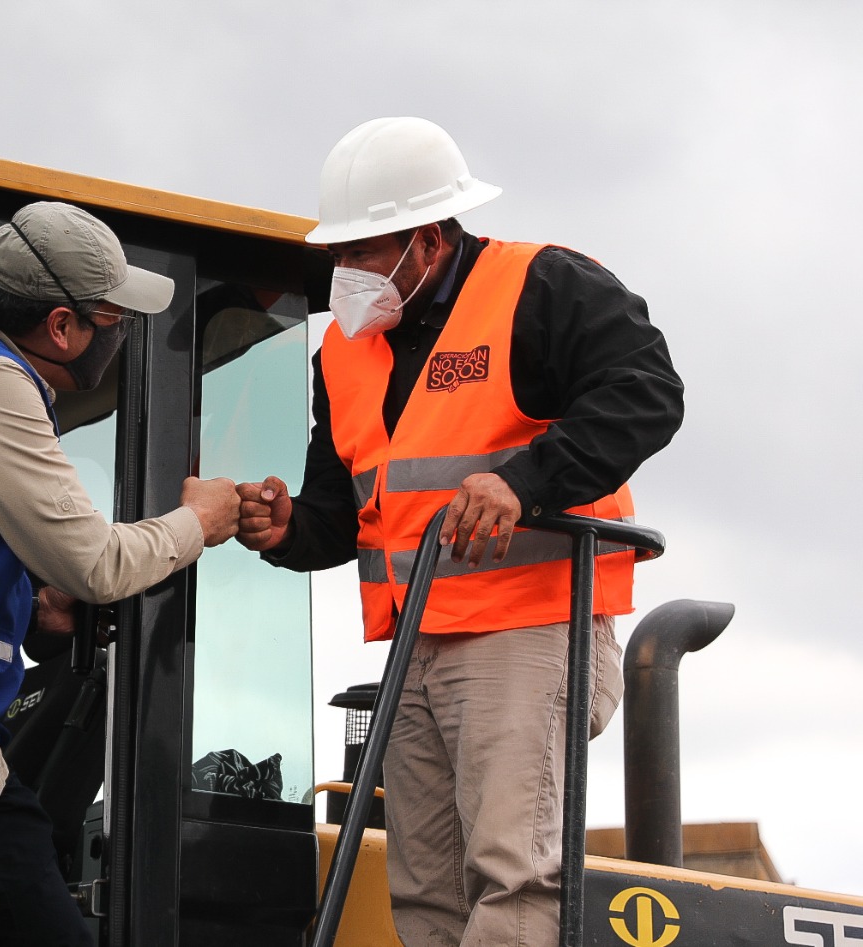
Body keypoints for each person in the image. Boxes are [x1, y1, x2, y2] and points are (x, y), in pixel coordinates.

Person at [236, 117, 684, 946]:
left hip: (529, 626)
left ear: (431, 239)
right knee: (424, 890)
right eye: (338, 253)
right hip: (417, 643)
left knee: (515, 874)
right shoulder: (344, 352)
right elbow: (341, 510)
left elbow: (646, 393)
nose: (345, 273)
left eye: (363, 251)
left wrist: (523, 482)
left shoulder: (541, 286)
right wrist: (287, 526)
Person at [0, 201, 240, 946]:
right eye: (112, 318)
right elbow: (95, 561)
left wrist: (29, 604)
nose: (118, 334)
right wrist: (199, 523)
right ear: (60, 326)